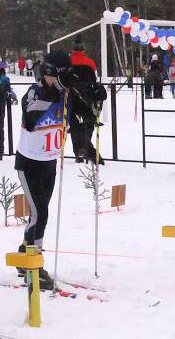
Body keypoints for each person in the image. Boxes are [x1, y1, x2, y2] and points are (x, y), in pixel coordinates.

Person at [14, 51, 91, 290]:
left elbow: (84, 112)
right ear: (47, 74)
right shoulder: (34, 92)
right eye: (57, 77)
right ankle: (34, 263)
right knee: (40, 214)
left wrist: (95, 95)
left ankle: (23, 253)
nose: (61, 81)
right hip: (29, 164)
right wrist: (54, 89)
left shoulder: (65, 94)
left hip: (49, 162)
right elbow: (30, 117)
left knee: (39, 212)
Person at [70, 35, 107, 164]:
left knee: (74, 125)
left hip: (72, 95)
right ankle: (87, 147)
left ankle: (79, 150)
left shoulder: (68, 61)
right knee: (89, 122)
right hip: (87, 95)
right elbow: (96, 80)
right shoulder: (89, 62)